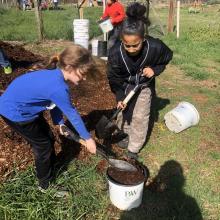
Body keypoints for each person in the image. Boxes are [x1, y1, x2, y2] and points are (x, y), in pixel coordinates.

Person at [0, 45, 97, 197]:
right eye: (83, 74)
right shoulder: (58, 87)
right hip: (16, 113)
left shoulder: (54, 75)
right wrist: (88, 138)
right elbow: (72, 114)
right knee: (43, 146)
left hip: (21, 107)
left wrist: (59, 122)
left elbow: (54, 102)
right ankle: (45, 185)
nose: (84, 78)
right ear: (70, 67)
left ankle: (49, 170)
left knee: (48, 138)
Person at [107, 3, 173, 159]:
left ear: (143, 38)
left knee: (140, 116)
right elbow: (113, 77)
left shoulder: (155, 47)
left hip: (144, 86)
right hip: (125, 84)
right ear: (121, 40)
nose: (130, 49)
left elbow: (167, 57)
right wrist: (120, 96)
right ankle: (125, 135)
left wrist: (155, 70)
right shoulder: (116, 53)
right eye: (127, 45)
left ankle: (134, 148)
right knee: (125, 111)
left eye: (135, 45)